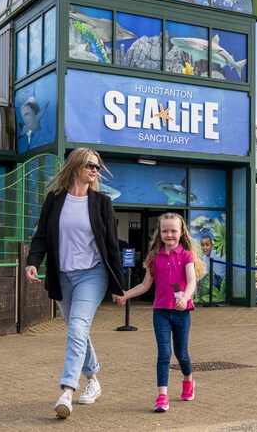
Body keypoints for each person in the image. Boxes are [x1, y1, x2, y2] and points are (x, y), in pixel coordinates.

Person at [25, 148, 125, 419]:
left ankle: (67, 390)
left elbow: (112, 247)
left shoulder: (102, 203)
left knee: (78, 327)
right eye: (90, 165)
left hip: (92, 275)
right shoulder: (55, 199)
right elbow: (41, 236)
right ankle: (93, 378)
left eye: (97, 166)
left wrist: (119, 287)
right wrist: (32, 261)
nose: (95, 170)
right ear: (76, 166)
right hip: (62, 276)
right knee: (76, 330)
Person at [115, 213, 206, 412]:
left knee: (182, 354)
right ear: (160, 233)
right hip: (160, 313)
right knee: (164, 354)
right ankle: (162, 396)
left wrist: (184, 298)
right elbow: (145, 284)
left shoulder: (186, 256)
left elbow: (191, 282)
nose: (169, 234)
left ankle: (188, 380)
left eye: (173, 231)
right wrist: (125, 295)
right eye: (165, 231)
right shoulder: (154, 257)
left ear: (181, 233)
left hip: (182, 312)